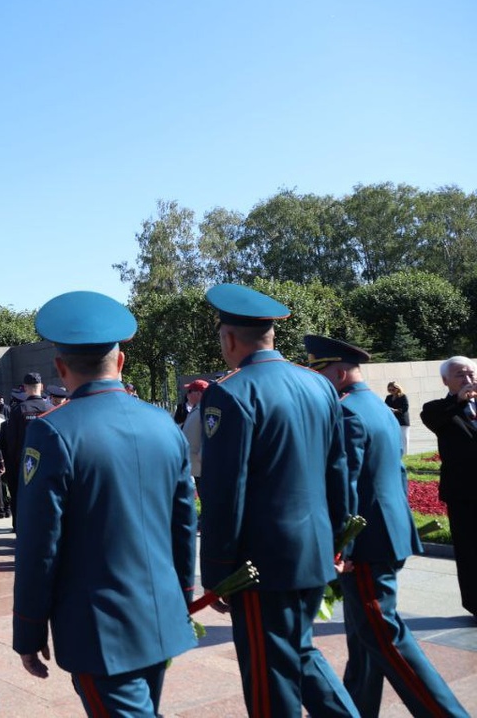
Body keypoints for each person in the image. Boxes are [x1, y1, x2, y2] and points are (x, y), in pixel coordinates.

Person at [13, 291, 197, 716]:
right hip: (158, 614)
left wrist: (28, 628)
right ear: (121, 363)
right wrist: (182, 597)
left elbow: (40, 544)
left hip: (99, 630)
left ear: (60, 367)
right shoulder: (163, 425)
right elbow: (183, 525)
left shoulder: (52, 433)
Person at [199, 284, 356, 717]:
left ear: (229, 339)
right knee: (299, 655)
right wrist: (340, 542)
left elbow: (224, 493)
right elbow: (338, 471)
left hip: (259, 566)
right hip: (313, 551)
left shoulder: (229, 392)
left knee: (271, 678)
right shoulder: (319, 386)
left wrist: (216, 572)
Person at [305, 335, 466, 717]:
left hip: (366, 544)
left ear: (340, 372)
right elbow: (396, 472)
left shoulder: (346, 412)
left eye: (320, 372)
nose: (318, 382)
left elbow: (345, 483)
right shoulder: (377, 407)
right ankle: (355, 709)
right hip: (386, 534)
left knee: (386, 636)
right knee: (365, 641)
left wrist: (340, 546)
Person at [420, 356, 477, 620]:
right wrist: (459, 401)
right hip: (463, 493)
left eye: (471, 374)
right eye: (460, 375)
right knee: (469, 552)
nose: (468, 380)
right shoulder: (437, 409)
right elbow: (436, 420)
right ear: (445, 380)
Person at [0, 372, 51, 531]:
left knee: (21, 498)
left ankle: (20, 528)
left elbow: (11, 442)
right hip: (49, 463)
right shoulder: (51, 408)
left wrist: (12, 467)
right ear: (42, 387)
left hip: (24, 464)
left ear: (26, 389)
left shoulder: (18, 410)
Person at [180, 379, 209, 496]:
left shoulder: (204, 409)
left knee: (206, 495)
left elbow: (207, 433)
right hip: (196, 465)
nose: (187, 395)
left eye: (190, 391)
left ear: (199, 393)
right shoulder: (197, 408)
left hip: (201, 465)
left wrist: (202, 456)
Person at [385, 381, 411, 456]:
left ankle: (405, 455)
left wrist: (395, 410)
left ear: (397, 389)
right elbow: (385, 407)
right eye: (389, 390)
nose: (391, 392)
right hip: (392, 421)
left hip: (402, 420)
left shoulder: (403, 396)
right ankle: (397, 454)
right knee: (395, 439)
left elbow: (405, 408)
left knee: (404, 439)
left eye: (393, 390)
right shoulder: (388, 397)